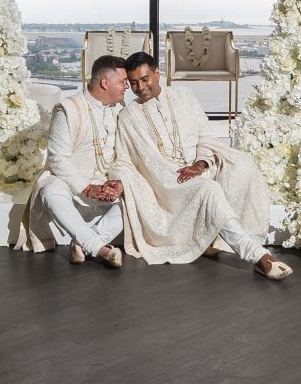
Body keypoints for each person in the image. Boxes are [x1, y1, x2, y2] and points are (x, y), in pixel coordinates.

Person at [115, 50, 289, 280]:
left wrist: (200, 164)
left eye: (145, 79)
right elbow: (134, 160)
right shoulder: (128, 116)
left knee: (243, 166)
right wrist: (175, 175)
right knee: (209, 189)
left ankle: (213, 239)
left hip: (201, 164)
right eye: (133, 83)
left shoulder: (185, 97)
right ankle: (257, 256)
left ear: (158, 73)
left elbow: (206, 137)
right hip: (170, 182)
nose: (140, 87)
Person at [15, 55, 129, 267]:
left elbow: (124, 155)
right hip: (69, 184)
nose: (127, 87)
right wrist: (87, 188)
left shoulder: (120, 110)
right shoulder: (67, 108)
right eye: (123, 82)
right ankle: (102, 250)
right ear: (105, 82)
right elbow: (57, 159)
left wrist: (117, 181)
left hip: (104, 182)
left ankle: (83, 242)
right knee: (50, 190)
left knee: (138, 198)